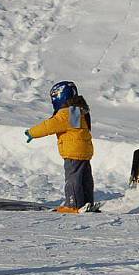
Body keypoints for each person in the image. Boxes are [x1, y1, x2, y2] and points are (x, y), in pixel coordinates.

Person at [24, 81, 95, 213]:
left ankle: (73, 204)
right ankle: (87, 202)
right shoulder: (79, 111)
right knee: (85, 178)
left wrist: (32, 132)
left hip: (73, 152)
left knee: (72, 179)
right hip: (84, 150)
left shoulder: (66, 114)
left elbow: (48, 126)